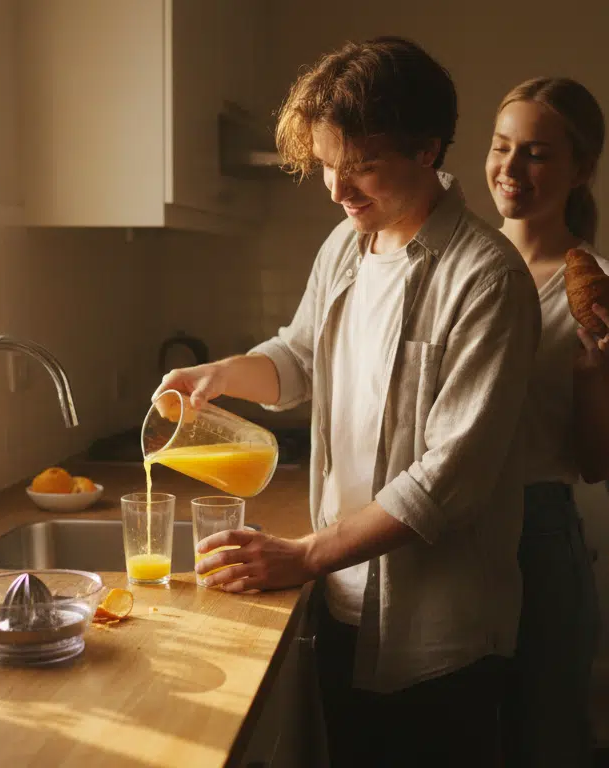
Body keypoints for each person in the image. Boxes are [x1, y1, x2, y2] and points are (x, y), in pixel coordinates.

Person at [153, 37, 541, 767]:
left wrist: (303, 554)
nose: (337, 189)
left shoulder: (486, 279)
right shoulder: (344, 246)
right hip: (340, 605)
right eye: (328, 164)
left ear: (428, 150)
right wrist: (223, 374)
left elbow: (446, 483)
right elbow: (299, 358)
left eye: (360, 166)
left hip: (439, 638)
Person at [486, 77, 609, 766]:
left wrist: (588, 374)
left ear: (582, 170)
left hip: (536, 533)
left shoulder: (603, 284)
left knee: (542, 740)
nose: (511, 170)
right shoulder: (457, 262)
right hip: (440, 528)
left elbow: (599, 461)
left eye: (538, 154)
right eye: (501, 147)